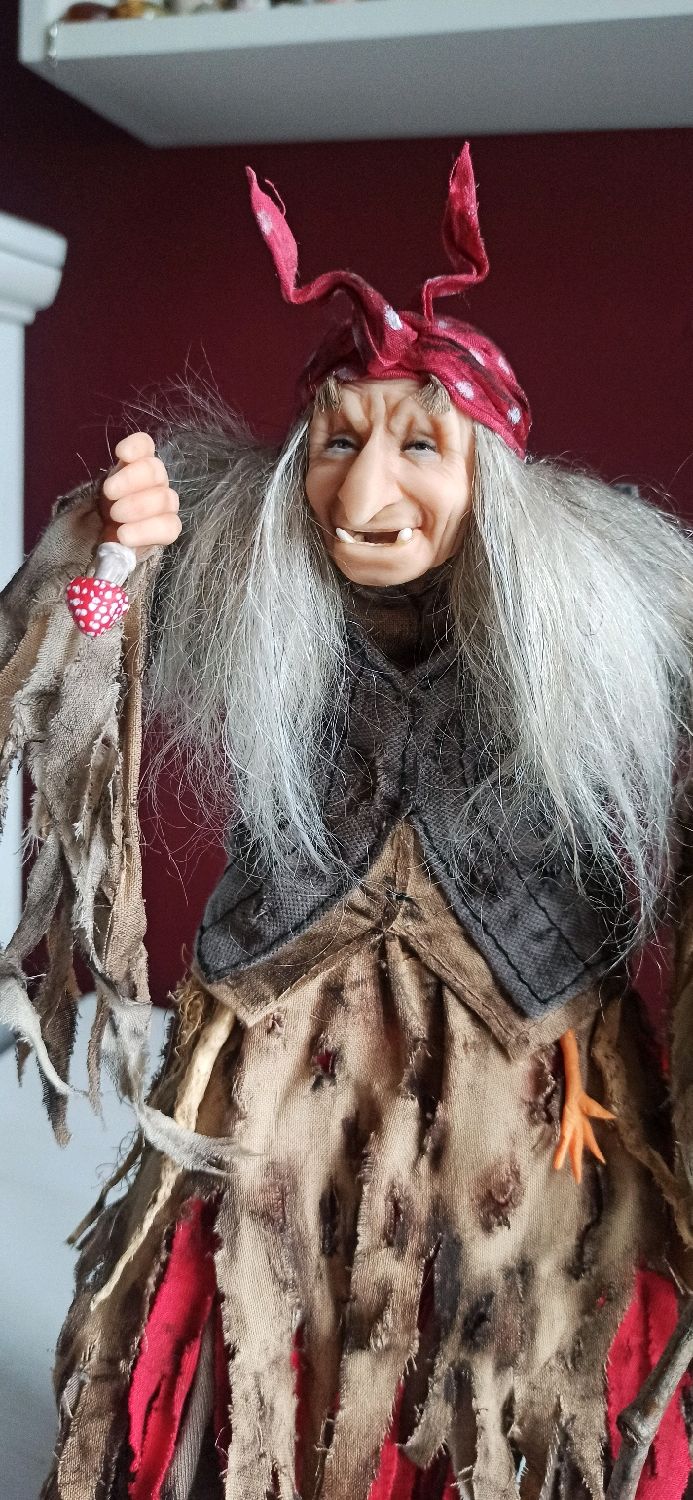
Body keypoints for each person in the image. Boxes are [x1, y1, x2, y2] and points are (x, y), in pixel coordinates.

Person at [2, 145, 693, 1500]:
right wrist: (108, 555)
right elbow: (70, 661)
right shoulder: (239, 588)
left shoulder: (612, 624)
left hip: (529, 1070)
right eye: (336, 443)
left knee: (507, 1324)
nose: (365, 496)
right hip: (286, 1054)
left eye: (419, 444)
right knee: (281, 1304)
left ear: (492, 470)